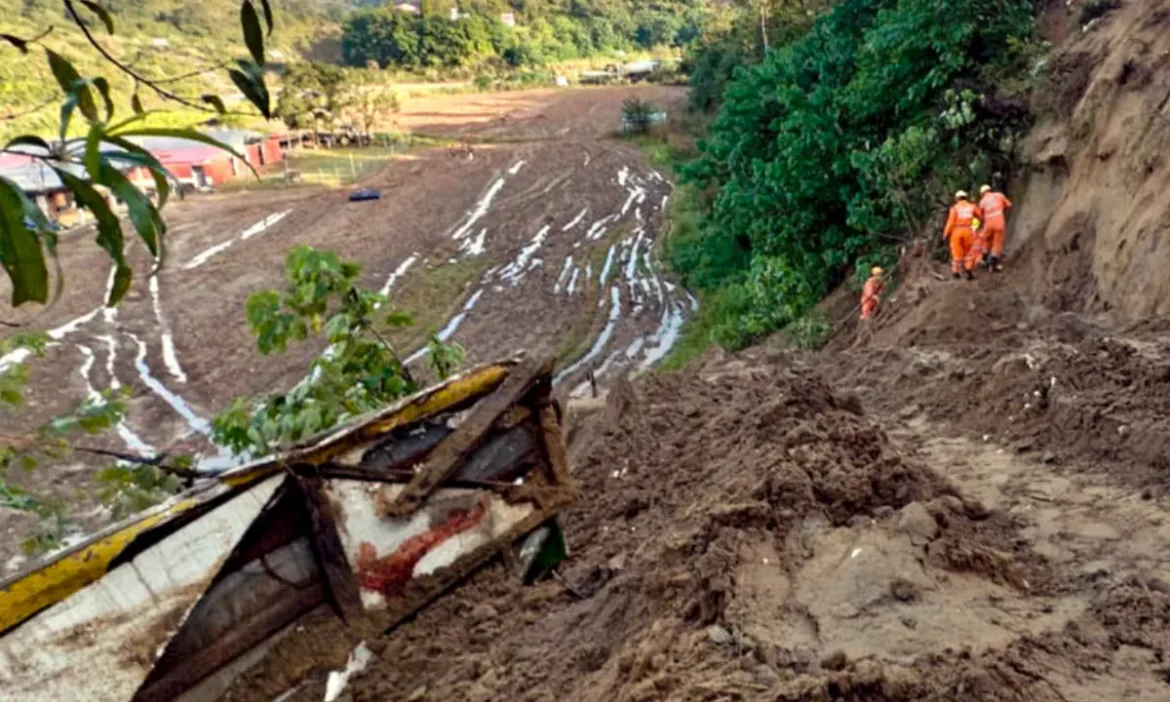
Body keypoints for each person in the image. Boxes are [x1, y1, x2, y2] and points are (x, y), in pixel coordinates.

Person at [944, 190, 982, 280]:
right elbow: (980, 216)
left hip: (956, 231)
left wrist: (945, 234)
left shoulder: (955, 208)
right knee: (969, 252)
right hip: (968, 231)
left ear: (957, 198)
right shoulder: (972, 207)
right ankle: (968, 268)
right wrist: (975, 225)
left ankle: (956, 271)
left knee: (956, 252)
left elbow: (950, 223)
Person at [978, 185, 1012, 271]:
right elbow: (1008, 205)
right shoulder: (999, 195)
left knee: (987, 240)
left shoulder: (982, 201)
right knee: (997, 242)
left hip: (988, 224)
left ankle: (984, 258)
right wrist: (1001, 209)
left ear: (982, 193)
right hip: (999, 223)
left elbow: (980, 215)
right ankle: (993, 264)